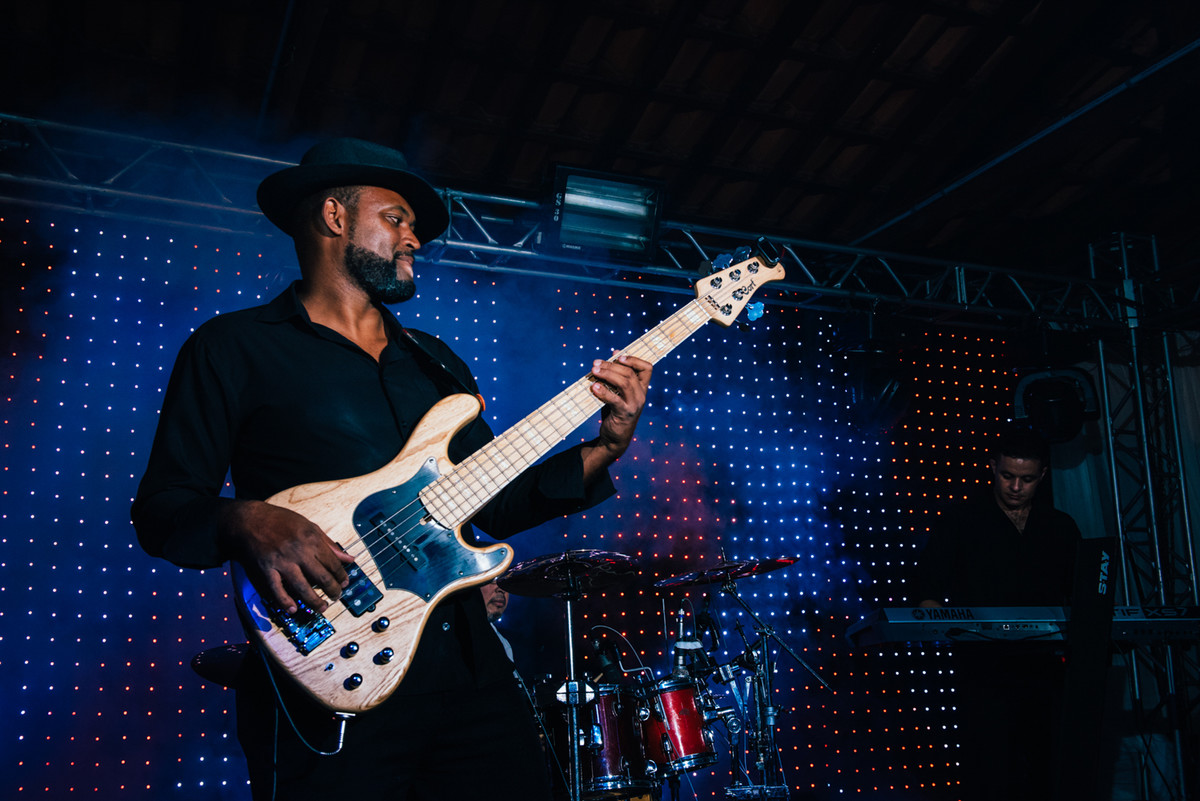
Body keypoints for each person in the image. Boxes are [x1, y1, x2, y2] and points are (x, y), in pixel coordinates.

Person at [130, 137, 652, 801]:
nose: (415, 239)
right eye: (397, 218)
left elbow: (492, 502)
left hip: (470, 675)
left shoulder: (434, 362)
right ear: (334, 217)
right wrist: (246, 519)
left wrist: (606, 447)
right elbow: (164, 509)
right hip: (331, 678)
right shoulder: (232, 348)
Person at [912, 423, 1082, 801]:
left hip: (1045, 668)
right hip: (984, 670)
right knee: (990, 772)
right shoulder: (960, 521)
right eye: (1007, 476)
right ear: (992, 467)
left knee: (1049, 770)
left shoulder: (1060, 527)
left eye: (1027, 479)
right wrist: (938, 625)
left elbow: (1082, 597)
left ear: (1043, 475)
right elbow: (928, 590)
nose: (1016, 487)